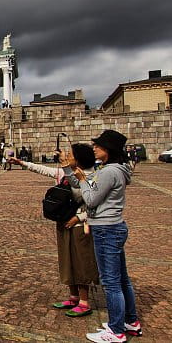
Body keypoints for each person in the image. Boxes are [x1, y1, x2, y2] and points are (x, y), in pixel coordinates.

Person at [65, 130, 142, 342]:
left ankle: (117, 331)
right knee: (122, 280)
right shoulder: (114, 170)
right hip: (113, 226)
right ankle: (130, 321)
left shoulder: (109, 172)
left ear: (108, 150)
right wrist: (80, 178)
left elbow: (90, 199)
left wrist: (82, 179)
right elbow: (95, 191)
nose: (95, 149)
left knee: (111, 283)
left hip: (106, 229)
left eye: (98, 146)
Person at [10, 144, 100, 318]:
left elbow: (95, 203)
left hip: (80, 226)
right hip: (63, 222)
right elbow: (43, 170)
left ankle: (84, 302)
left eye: (71, 154)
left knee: (81, 262)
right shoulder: (66, 174)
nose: (67, 156)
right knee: (67, 260)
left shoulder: (90, 176)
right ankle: (73, 297)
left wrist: (79, 218)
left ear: (79, 158)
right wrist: (21, 162)